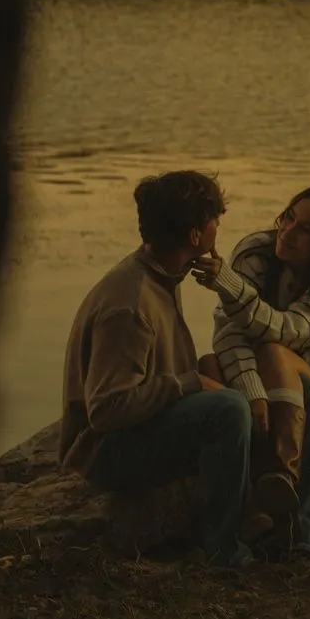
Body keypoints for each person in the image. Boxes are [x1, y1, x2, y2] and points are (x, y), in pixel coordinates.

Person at [59, 170, 257, 569]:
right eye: (214, 220)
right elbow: (107, 409)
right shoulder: (131, 303)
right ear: (195, 235)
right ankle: (224, 548)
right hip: (106, 452)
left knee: (232, 379)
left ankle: (252, 512)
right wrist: (190, 384)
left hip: (139, 430)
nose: (219, 227)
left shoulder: (163, 271)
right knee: (228, 410)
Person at [192, 186, 310, 553]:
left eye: (305, 230)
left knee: (273, 351)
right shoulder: (255, 253)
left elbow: (283, 332)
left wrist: (230, 286)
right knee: (208, 366)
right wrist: (253, 392)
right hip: (256, 381)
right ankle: (245, 515)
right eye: (289, 217)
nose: (288, 231)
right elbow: (228, 333)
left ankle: (281, 480)